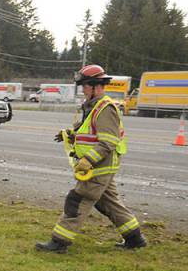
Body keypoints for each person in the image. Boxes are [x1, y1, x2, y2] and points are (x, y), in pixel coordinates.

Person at [36, 64, 146, 253]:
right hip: (100, 167)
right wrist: (70, 134)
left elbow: (108, 141)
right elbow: (89, 132)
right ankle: (135, 239)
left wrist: (88, 160)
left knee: (77, 200)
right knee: (109, 203)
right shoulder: (92, 106)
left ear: (96, 85)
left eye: (84, 86)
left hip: (98, 168)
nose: (82, 90)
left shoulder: (105, 108)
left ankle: (59, 242)